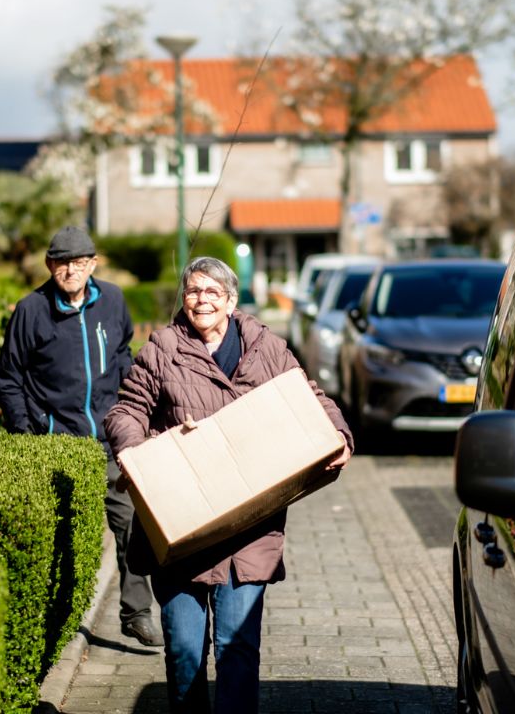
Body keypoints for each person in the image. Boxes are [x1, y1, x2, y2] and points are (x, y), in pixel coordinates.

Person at [104, 256, 353, 713]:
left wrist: (338, 433)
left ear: (231, 301)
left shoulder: (266, 347)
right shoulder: (163, 348)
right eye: (194, 291)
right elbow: (128, 409)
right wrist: (133, 449)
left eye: (212, 293)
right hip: (184, 527)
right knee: (184, 652)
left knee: (237, 651)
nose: (201, 300)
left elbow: (309, 394)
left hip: (249, 530)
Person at [0, 225, 162, 647]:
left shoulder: (113, 301)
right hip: (56, 444)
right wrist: (27, 433)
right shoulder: (31, 311)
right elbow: (8, 378)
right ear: (50, 266)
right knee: (62, 538)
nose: (70, 269)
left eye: (79, 261)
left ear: (92, 264)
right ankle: (55, 623)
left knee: (131, 528)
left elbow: (123, 353)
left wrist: (133, 412)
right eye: (62, 262)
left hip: (107, 441)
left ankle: (137, 613)